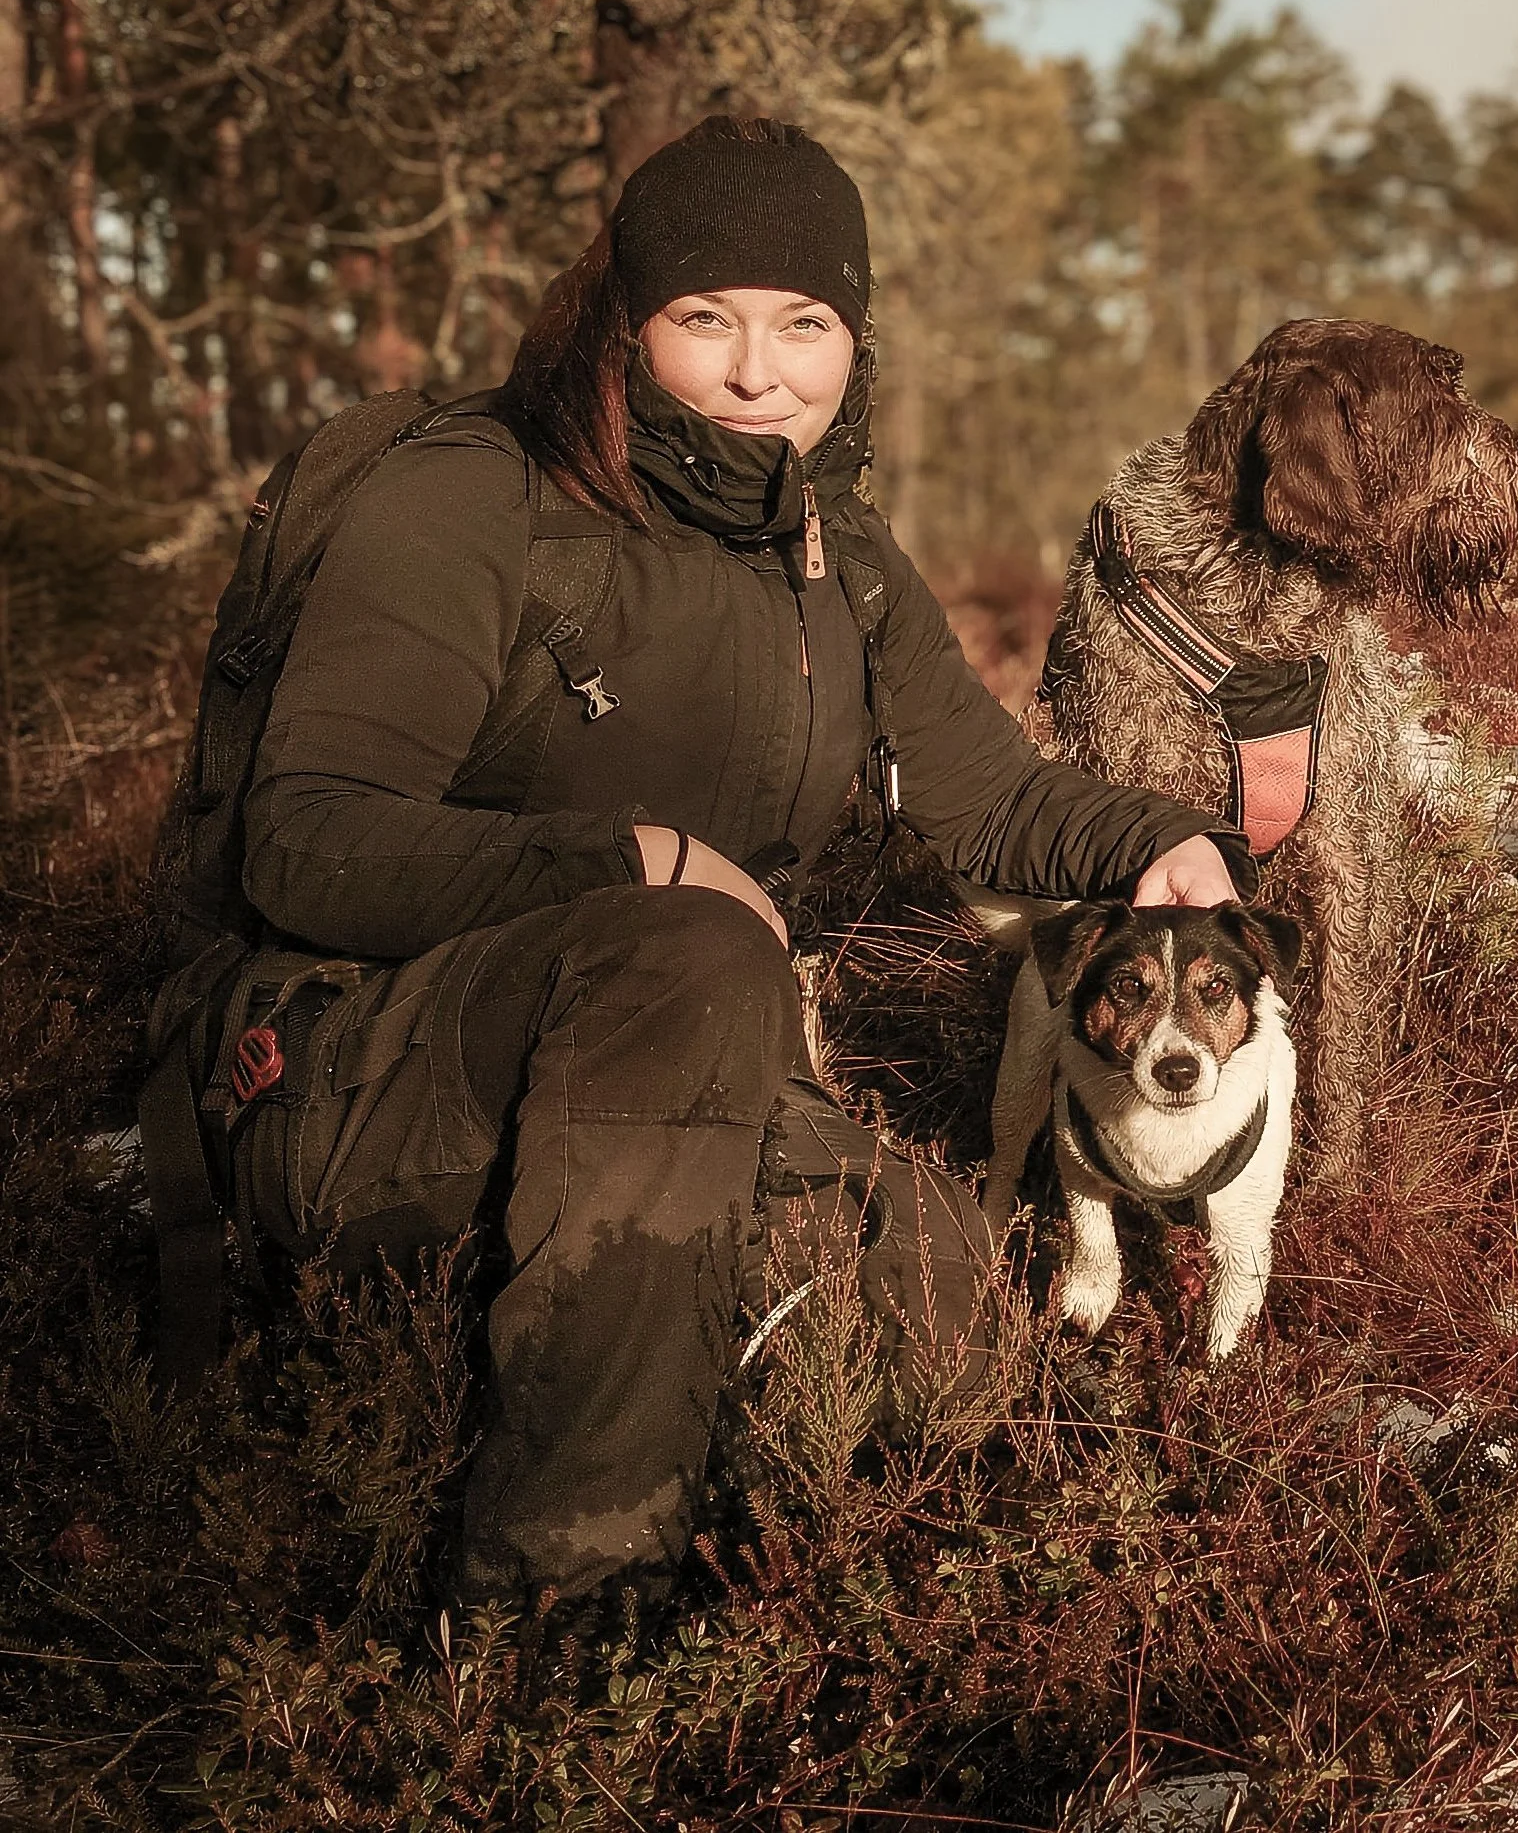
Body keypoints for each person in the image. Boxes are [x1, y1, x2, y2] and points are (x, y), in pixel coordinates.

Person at [179, 115, 1255, 1613]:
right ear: (625, 324)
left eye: (804, 324)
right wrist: (635, 859)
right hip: (351, 1065)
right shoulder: (468, 499)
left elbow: (989, 793)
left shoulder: (837, 554)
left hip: (666, 1065)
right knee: (687, 950)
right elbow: (305, 835)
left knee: (953, 1308)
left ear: (852, 339)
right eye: (708, 320)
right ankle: (557, 1609)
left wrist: (1159, 838)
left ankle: (770, 1590)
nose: (762, 372)